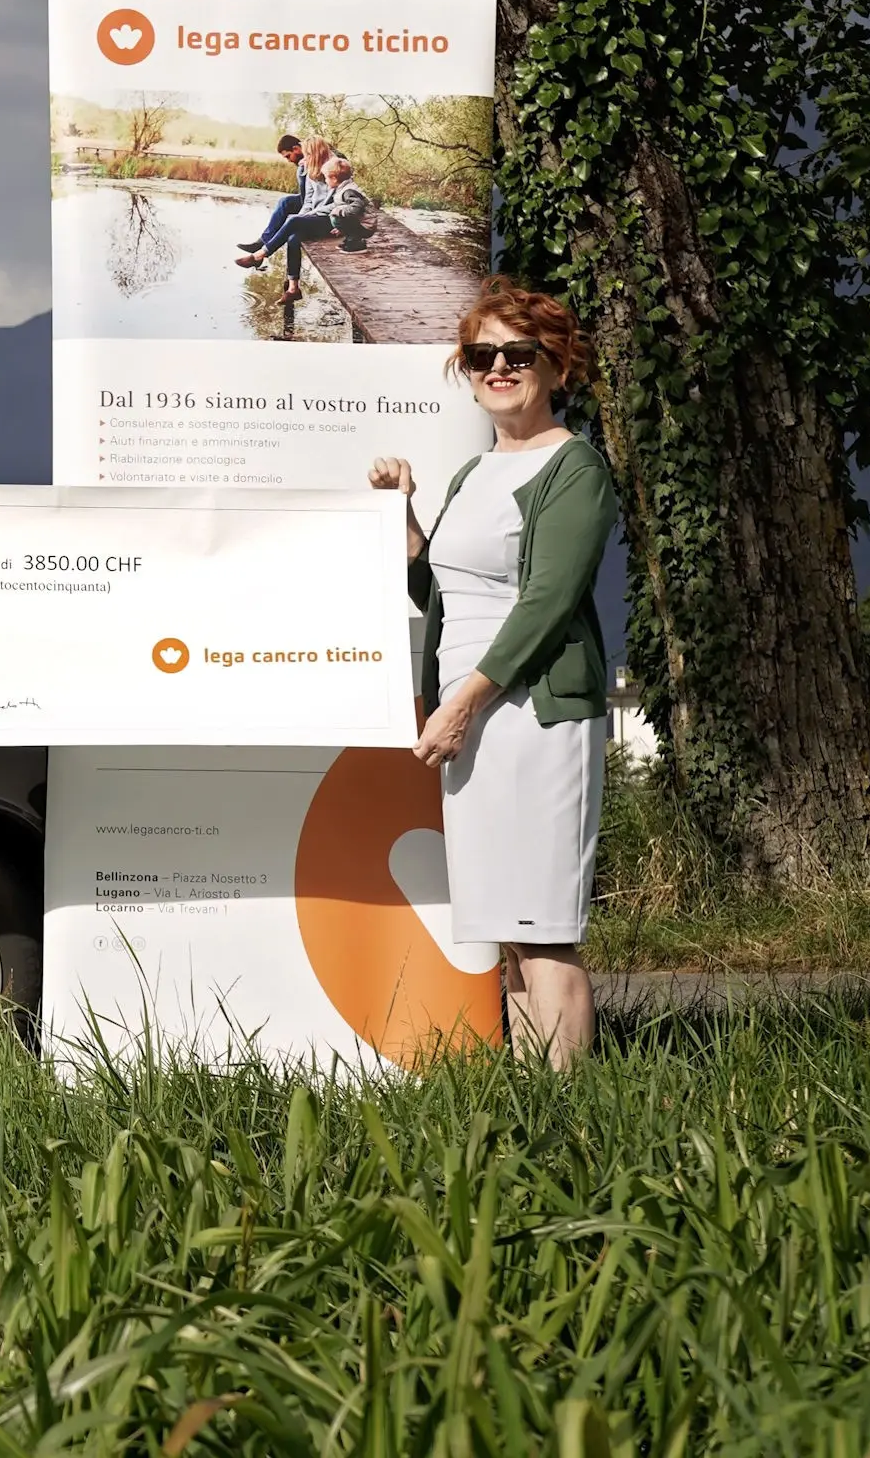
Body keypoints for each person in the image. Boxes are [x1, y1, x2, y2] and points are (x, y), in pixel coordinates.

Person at [369, 278, 618, 1067]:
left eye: (519, 354)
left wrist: (462, 705)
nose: (499, 368)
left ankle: (578, 1122)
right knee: (512, 935)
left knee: (546, 932)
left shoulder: (574, 467)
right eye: (482, 355)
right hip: (472, 719)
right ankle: (537, 1112)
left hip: (532, 717)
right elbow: (440, 595)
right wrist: (405, 513)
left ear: (557, 367)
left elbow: (547, 602)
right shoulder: (476, 474)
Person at [238, 152, 374, 266]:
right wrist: (341, 224)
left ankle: (260, 254)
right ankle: (352, 241)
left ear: (333, 178)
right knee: (294, 225)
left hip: (364, 227)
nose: (325, 181)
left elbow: (356, 207)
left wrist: (340, 215)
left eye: (326, 178)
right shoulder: (343, 188)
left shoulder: (347, 191)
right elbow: (337, 206)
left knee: (294, 221)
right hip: (359, 224)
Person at [238, 134, 324, 256]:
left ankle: (263, 248)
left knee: (292, 228)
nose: (289, 160)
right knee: (285, 201)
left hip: (321, 204)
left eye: (288, 156)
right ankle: (263, 241)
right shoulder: (304, 163)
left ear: (296, 149)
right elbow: (307, 195)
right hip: (309, 201)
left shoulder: (319, 158)